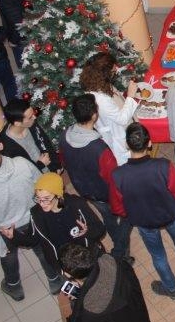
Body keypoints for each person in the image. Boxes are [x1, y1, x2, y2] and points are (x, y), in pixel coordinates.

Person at [0, 129, 63, 301]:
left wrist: (0, 248)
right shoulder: (21, 163)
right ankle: (54, 280)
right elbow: (41, 184)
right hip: (33, 220)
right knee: (42, 251)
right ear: (0, 145)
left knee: (9, 258)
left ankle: (14, 287)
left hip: (6, 230)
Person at [110, 123, 175, 300]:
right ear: (150, 143)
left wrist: (131, 214)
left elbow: (117, 207)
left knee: (158, 255)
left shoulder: (118, 175)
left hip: (144, 222)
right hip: (171, 215)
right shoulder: (163, 166)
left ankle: (172, 289)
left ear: (127, 145)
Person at [60, 93, 133, 261]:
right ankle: (120, 252)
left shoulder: (64, 136)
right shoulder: (99, 148)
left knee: (108, 217)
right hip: (105, 192)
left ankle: (119, 248)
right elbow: (113, 177)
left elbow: (64, 161)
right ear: (94, 115)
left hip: (85, 190)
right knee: (128, 216)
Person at [30, 172, 105, 272]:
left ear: (58, 195)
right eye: (38, 198)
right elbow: (33, 239)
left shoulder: (76, 204)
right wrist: (14, 237)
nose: (41, 204)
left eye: (46, 199)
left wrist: (88, 231)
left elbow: (100, 229)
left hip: (88, 258)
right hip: (66, 266)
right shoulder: (37, 213)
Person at [59, 242, 150, 322]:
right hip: (138, 314)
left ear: (67, 274)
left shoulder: (89, 310)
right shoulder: (114, 262)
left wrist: (77, 300)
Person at [80, 53, 139, 166]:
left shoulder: (97, 84)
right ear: (104, 73)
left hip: (117, 124)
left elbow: (114, 99)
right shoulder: (100, 99)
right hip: (117, 136)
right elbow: (122, 119)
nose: (116, 70)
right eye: (113, 70)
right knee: (127, 163)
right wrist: (130, 96)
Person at [0, 98, 61, 173]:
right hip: (36, 178)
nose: (34, 117)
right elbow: (18, 172)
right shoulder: (5, 145)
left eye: (33, 114)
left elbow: (46, 142)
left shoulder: (31, 124)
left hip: (51, 170)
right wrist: (40, 165)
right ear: (17, 123)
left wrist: (57, 165)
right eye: (30, 117)